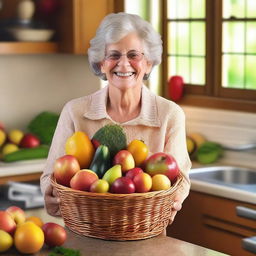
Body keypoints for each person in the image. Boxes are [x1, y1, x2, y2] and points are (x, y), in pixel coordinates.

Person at [40, 12, 191, 230]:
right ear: (101, 64)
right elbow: (51, 176)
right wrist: (50, 194)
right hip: (85, 232)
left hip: (145, 236)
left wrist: (174, 201)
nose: (123, 64)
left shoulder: (169, 114)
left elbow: (181, 179)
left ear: (148, 64)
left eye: (133, 55)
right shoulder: (75, 111)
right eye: (113, 55)